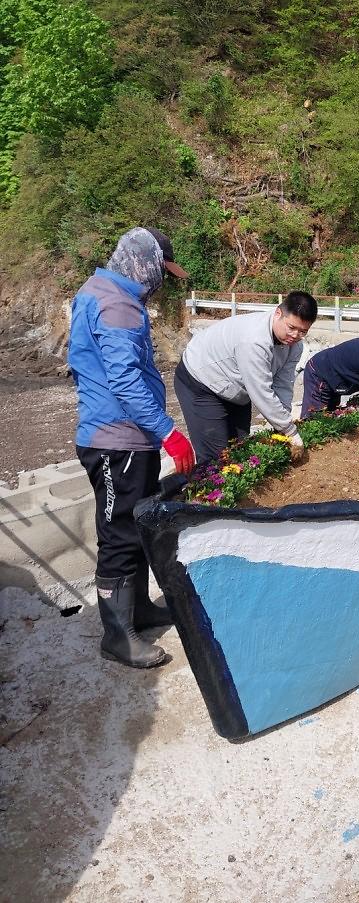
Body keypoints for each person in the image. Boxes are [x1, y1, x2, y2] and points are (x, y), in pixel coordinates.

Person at [69, 227, 196, 669]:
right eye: (159, 271)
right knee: (120, 533)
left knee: (134, 524)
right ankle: (117, 636)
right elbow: (123, 379)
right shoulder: (119, 305)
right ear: (143, 262)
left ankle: (138, 607)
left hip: (127, 436)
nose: (159, 282)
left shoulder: (99, 289)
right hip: (115, 440)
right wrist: (169, 431)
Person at [174, 291, 318, 464]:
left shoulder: (295, 347)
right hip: (201, 381)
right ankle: (207, 488)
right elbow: (261, 392)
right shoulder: (254, 340)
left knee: (240, 448)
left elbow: (284, 384)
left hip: (235, 386)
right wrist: (290, 430)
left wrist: (283, 423)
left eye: (303, 331)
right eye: (291, 327)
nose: (295, 336)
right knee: (216, 458)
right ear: (278, 313)